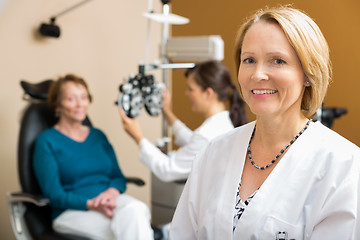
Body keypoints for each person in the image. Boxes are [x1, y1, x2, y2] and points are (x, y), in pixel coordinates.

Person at [170, 6, 360, 240]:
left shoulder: (343, 165)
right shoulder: (214, 152)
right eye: (249, 60)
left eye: (277, 61)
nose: (257, 74)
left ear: (308, 74)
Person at [33, 74, 154, 240]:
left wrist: (112, 192)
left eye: (84, 97)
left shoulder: (98, 136)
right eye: (71, 99)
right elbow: (54, 194)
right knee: (128, 228)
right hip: (72, 211)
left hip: (110, 201)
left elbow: (117, 177)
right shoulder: (47, 141)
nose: (80, 104)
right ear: (57, 105)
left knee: (137, 209)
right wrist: (90, 204)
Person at [118, 60, 247, 182]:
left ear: (208, 93)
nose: (186, 93)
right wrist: (167, 113)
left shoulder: (206, 135)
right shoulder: (222, 124)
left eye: (191, 89)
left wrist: (138, 138)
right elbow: (194, 141)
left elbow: (168, 170)